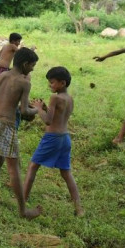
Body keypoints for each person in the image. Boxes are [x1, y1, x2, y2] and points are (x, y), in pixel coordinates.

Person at [0, 47, 42, 219]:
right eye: (32, 65)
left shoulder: (0, 76)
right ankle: (23, 211)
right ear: (25, 64)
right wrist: (37, 110)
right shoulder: (24, 82)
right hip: (5, 124)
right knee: (13, 168)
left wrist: (3, 100)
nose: (32, 69)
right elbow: (24, 111)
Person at [23, 66, 84, 216]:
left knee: (32, 166)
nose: (50, 85)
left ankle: (22, 199)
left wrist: (38, 108)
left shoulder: (55, 97)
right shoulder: (69, 98)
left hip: (52, 138)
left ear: (62, 83)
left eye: (52, 82)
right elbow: (58, 115)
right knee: (66, 173)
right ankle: (79, 208)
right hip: (65, 138)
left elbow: (48, 121)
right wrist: (44, 107)